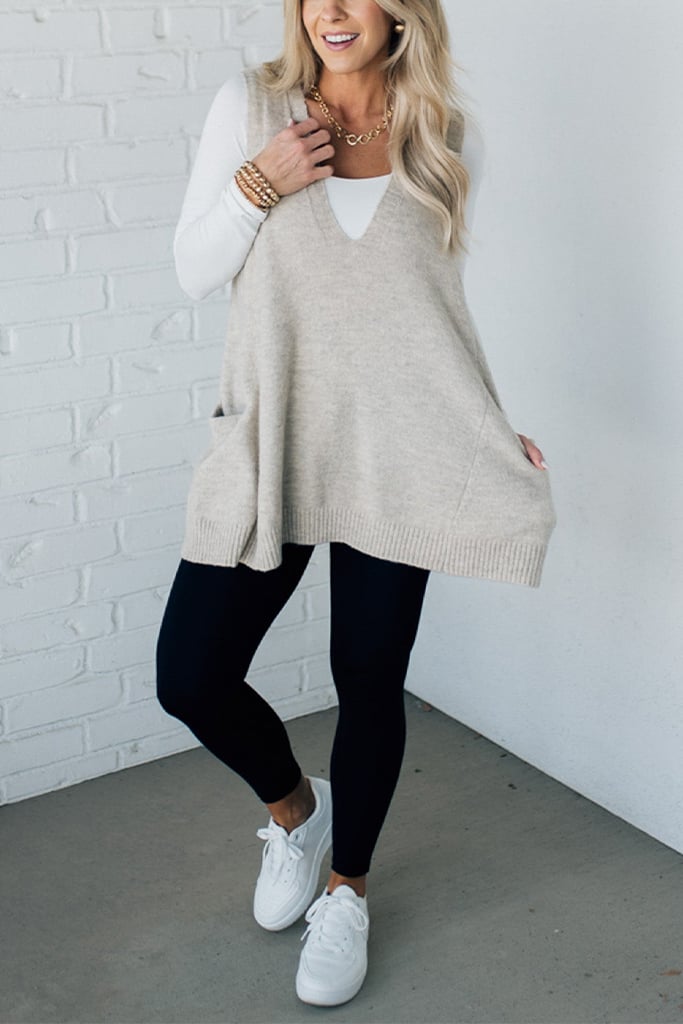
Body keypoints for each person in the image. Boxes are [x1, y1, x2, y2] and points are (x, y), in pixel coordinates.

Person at [156, 0, 557, 1007]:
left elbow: (438, 309)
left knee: (368, 676)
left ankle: (348, 890)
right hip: (275, 437)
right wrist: (259, 183)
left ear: (403, 10)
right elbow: (193, 271)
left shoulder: (445, 134)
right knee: (191, 675)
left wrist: (486, 425)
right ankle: (299, 812)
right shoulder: (251, 107)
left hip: (399, 445)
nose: (331, 10)